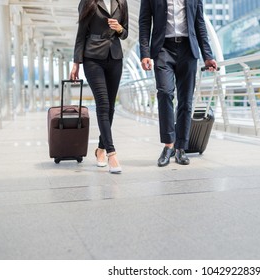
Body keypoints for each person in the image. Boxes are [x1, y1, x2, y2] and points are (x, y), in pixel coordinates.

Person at [139, 0, 217, 167]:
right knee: (165, 93)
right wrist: (144, 53)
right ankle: (168, 145)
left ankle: (181, 147)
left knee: (185, 100)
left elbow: (199, 23)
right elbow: (144, 23)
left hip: (188, 49)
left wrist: (208, 56)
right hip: (162, 49)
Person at [70, 0, 128, 174]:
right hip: (93, 58)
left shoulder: (121, 2)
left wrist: (119, 28)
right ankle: (112, 153)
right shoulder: (88, 2)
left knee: (110, 107)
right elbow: (81, 33)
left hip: (115, 58)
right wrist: (76, 63)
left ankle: (100, 150)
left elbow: (125, 33)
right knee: (103, 105)